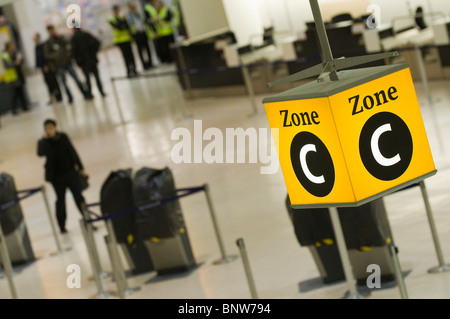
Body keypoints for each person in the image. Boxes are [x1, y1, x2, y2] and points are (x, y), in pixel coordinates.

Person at [37, 119, 90, 234]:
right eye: (47, 129)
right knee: (60, 201)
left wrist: (81, 168)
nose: (49, 130)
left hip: (70, 173)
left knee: (79, 197)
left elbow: (72, 152)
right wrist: (43, 140)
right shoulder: (44, 142)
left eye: (51, 128)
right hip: (57, 178)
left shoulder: (63, 137)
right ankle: (62, 227)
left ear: (56, 128)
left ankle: (88, 220)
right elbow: (40, 153)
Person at [44, 25, 90, 104]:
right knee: (64, 82)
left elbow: (69, 45)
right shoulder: (48, 43)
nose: (52, 32)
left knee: (76, 79)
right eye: (50, 31)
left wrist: (69, 55)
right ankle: (70, 97)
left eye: (52, 30)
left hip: (67, 63)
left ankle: (84, 93)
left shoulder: (60, 38)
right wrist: (55, 55)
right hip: (58, 65)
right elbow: (47, 55)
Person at [71, 28, 106, 98]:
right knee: (97, 77)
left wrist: (78, 60)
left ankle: (89, 94)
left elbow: (73, 52)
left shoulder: (74, 38)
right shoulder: (86, 34)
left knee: (87, 79)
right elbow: (97, 42)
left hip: (83, 62)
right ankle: (101, 92)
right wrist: (93, 53)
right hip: (91, 59)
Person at [108, 5, 138, 77]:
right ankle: (128, 71)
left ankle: (134, 70)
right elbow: (119, 27)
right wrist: (122, 25)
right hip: (120, 41)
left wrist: (122, 25)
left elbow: (127, 27)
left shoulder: (123, 17)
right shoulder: (111, 19)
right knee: (125, 56)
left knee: (131, 55)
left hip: (127, 39)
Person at [34, 33, 62, 104]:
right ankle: (52, 97)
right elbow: (37, 58)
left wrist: (46, 65)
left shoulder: (43, 45)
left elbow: (45, 56)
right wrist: (37, 67)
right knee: (48, 83)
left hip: (48, 67)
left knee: (53, 81)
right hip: (43, 68)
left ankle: (59, 97)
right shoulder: (36, 47)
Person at [2, 42, 29, 115]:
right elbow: (7, 65)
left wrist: (20, 62)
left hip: (19, 74)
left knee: (21, 92)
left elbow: (21, 60)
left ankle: (25, 107)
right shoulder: (5, 55)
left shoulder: (16, 52)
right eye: (11, 45)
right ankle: (13, 109)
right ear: (8, 47)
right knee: (15, 94)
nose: (12, 47)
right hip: (12, 77)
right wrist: (15, 63)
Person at [126, 2, 154, 70]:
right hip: (136, 34)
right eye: (132, 7)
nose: (134, 8)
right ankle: (144, 65)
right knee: (140, 50)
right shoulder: (128, 15)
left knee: (147, 48)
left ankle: (150, 63)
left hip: (143, 32)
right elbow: (130, 25)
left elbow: (143, 20)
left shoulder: (138, 13)